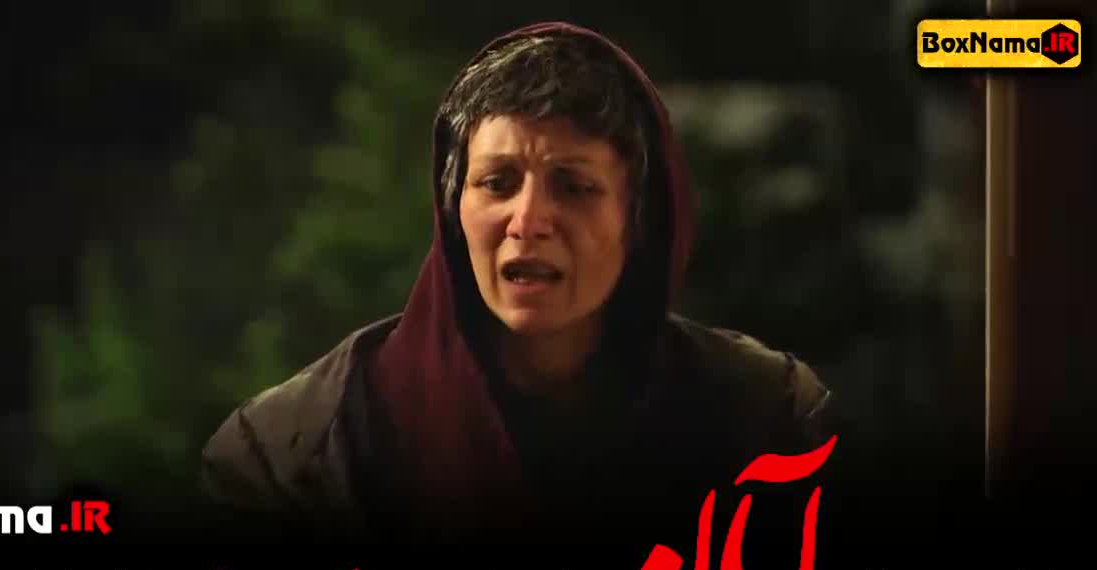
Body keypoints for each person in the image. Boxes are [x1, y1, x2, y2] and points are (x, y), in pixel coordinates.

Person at [201, 22, 833, 543]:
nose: (527, 221)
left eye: (574, 186)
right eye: (497, 183)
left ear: (640, 219)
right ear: (452, 210)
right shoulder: (294, 456)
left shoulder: (766, 422)